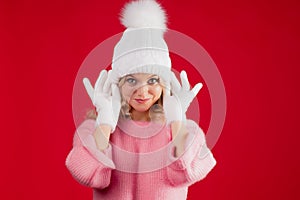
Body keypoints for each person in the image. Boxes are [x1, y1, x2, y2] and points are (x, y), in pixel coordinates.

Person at [66, 0, 216, 199]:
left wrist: (177, 122)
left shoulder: (188, 131)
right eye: (131, 80)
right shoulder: (92, 128)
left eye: (153, 80)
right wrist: (104, 123)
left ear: (164, 83)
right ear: (117, 82)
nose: (142, 91)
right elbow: (90, 175)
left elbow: (187, 171)